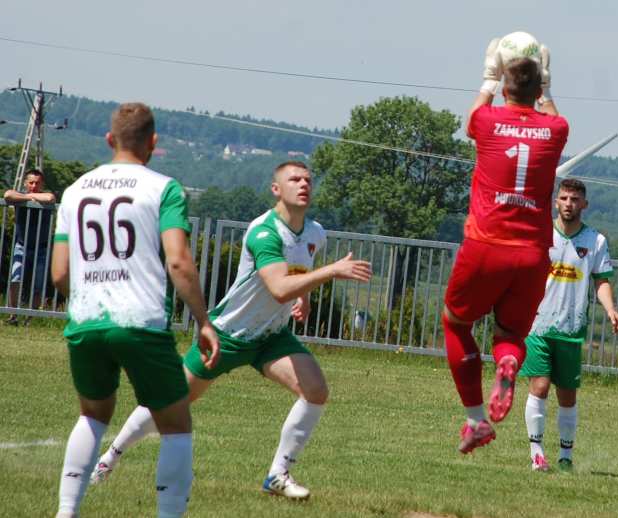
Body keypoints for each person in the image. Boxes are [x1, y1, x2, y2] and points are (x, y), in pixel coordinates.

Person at [89, 161, 372, 500]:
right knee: (170, 400)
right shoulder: (264, 232)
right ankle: (109, 458)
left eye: (308, 179)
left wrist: (306, 300)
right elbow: (280, 287)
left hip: (271, 336)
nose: (303, 184)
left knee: (316, 390)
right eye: (294, 179)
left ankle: (278, 475)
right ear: (276, 189)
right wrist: (332, 272)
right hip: (228, 335)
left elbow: (296, 275)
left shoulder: (315, 232)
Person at [51, 102, 220, 518]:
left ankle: (66, 511)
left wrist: (89, 298)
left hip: (86, 320)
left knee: (93, 415)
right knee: (176, 424)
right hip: (140, 321)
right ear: (153, 142)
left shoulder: (75, 191)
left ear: (110, 140)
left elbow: (59, 274)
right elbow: (178, 261)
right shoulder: (164, 189)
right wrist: (203, 320)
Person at [444, 38, 569, 454]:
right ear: (538, 89)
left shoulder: (488, 121)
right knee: (511, 332)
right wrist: (546, 86)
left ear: (503, 88)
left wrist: (488, 75)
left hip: (485, 245)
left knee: (456, 323)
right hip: (533, 253)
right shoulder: (555, 129)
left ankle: (476, 420)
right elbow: (552, 114)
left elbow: (473, 115)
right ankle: (509, 361)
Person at [519, 178, 618, 471]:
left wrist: (611, 309)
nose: (569, 204)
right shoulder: (541, 233)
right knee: (539, 386)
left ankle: (565, 456)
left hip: (571, 328)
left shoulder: (595, 241)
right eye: (564, 198)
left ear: (584, 204)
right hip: (537, 325)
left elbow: (601, 281)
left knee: (567, 394)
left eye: (575, 199)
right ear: (556, 201)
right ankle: (536, 453)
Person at [4, 169, 55, 325]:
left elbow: (50, 197)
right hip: (22, 244)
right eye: (31, 182)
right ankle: (13, 316)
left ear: (42, 184)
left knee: (38, 284)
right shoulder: (20, 195)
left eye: (37, 183)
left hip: (41, 247)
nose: (34, 185)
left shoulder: (44, 195)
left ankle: (29, 320)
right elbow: (7, 195)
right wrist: (29, 198)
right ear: (25, 183)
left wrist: (27, 198)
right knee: (15, 278)